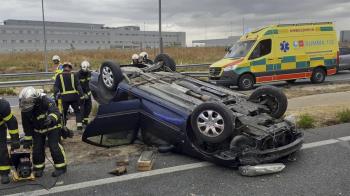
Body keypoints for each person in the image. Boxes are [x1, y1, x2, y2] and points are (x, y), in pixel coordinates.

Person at [19, 87, 67, 177]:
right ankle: (38, 168)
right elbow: (27, 125)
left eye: (27, 102)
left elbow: (56, 112)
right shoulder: (25, 109)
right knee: (37, 149)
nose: (26, 105)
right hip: (37, 130)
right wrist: (27, 139)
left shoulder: (46, 100)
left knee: (54, 146)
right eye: (24, 103)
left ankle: (61, 167)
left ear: (34, 100)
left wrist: (51, 118)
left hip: (52, 127)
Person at [54, 62, 84, 131]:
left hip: (64, 98)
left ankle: (63, 128)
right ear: (70, 68)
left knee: (63, 113)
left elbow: (56, 87)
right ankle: (79, 127)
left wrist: (56, 96)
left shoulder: (59, 76)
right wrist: (81, 96)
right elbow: (79, 87)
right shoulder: (74, 75)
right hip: (74, 97)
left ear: (63, 68)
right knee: (78, 112)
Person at [0, 98, 20, 184]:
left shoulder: (2, 106)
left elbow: (11, 122)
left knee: (2, 149)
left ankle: (4, 173)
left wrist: (15, 139)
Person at [76, 60, 92, 126]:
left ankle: (85, 122)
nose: (87, 70)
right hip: (80, 95)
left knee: (88, 108)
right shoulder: (77, 75)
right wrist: (83, 94)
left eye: (88, 68)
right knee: (81, 110)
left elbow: (90, 84)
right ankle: (79, 126)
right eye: (86, 68)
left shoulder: (89, 73)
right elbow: (78, 86)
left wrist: (88, 94)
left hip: (88, 95)